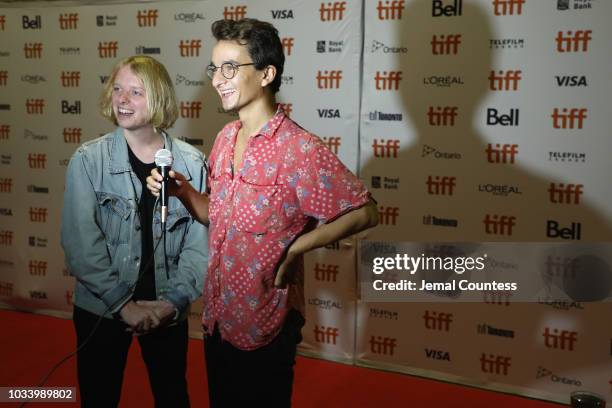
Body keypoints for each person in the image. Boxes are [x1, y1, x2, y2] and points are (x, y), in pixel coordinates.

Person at [147, 18, 378, 407]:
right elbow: (215, 216)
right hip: (218, 320)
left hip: (265, 325)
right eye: (214, 68)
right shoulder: (225, 138)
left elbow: (365, 212)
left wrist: (297, 246)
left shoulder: (299, 149)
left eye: (230, 68)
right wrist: (183, 191)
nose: (218, 79)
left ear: (267, 73)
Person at [60, 55, 208, 408]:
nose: (122, 99)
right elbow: (81, 244)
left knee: (172, 395)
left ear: (158, 98)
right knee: (99, 396)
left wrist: (172, 304)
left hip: (166, 309)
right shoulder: (88, 159)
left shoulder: (191, 163)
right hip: (102, 309)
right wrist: (123, 306)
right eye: (117, 89)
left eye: (136, 92)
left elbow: (199, 247)